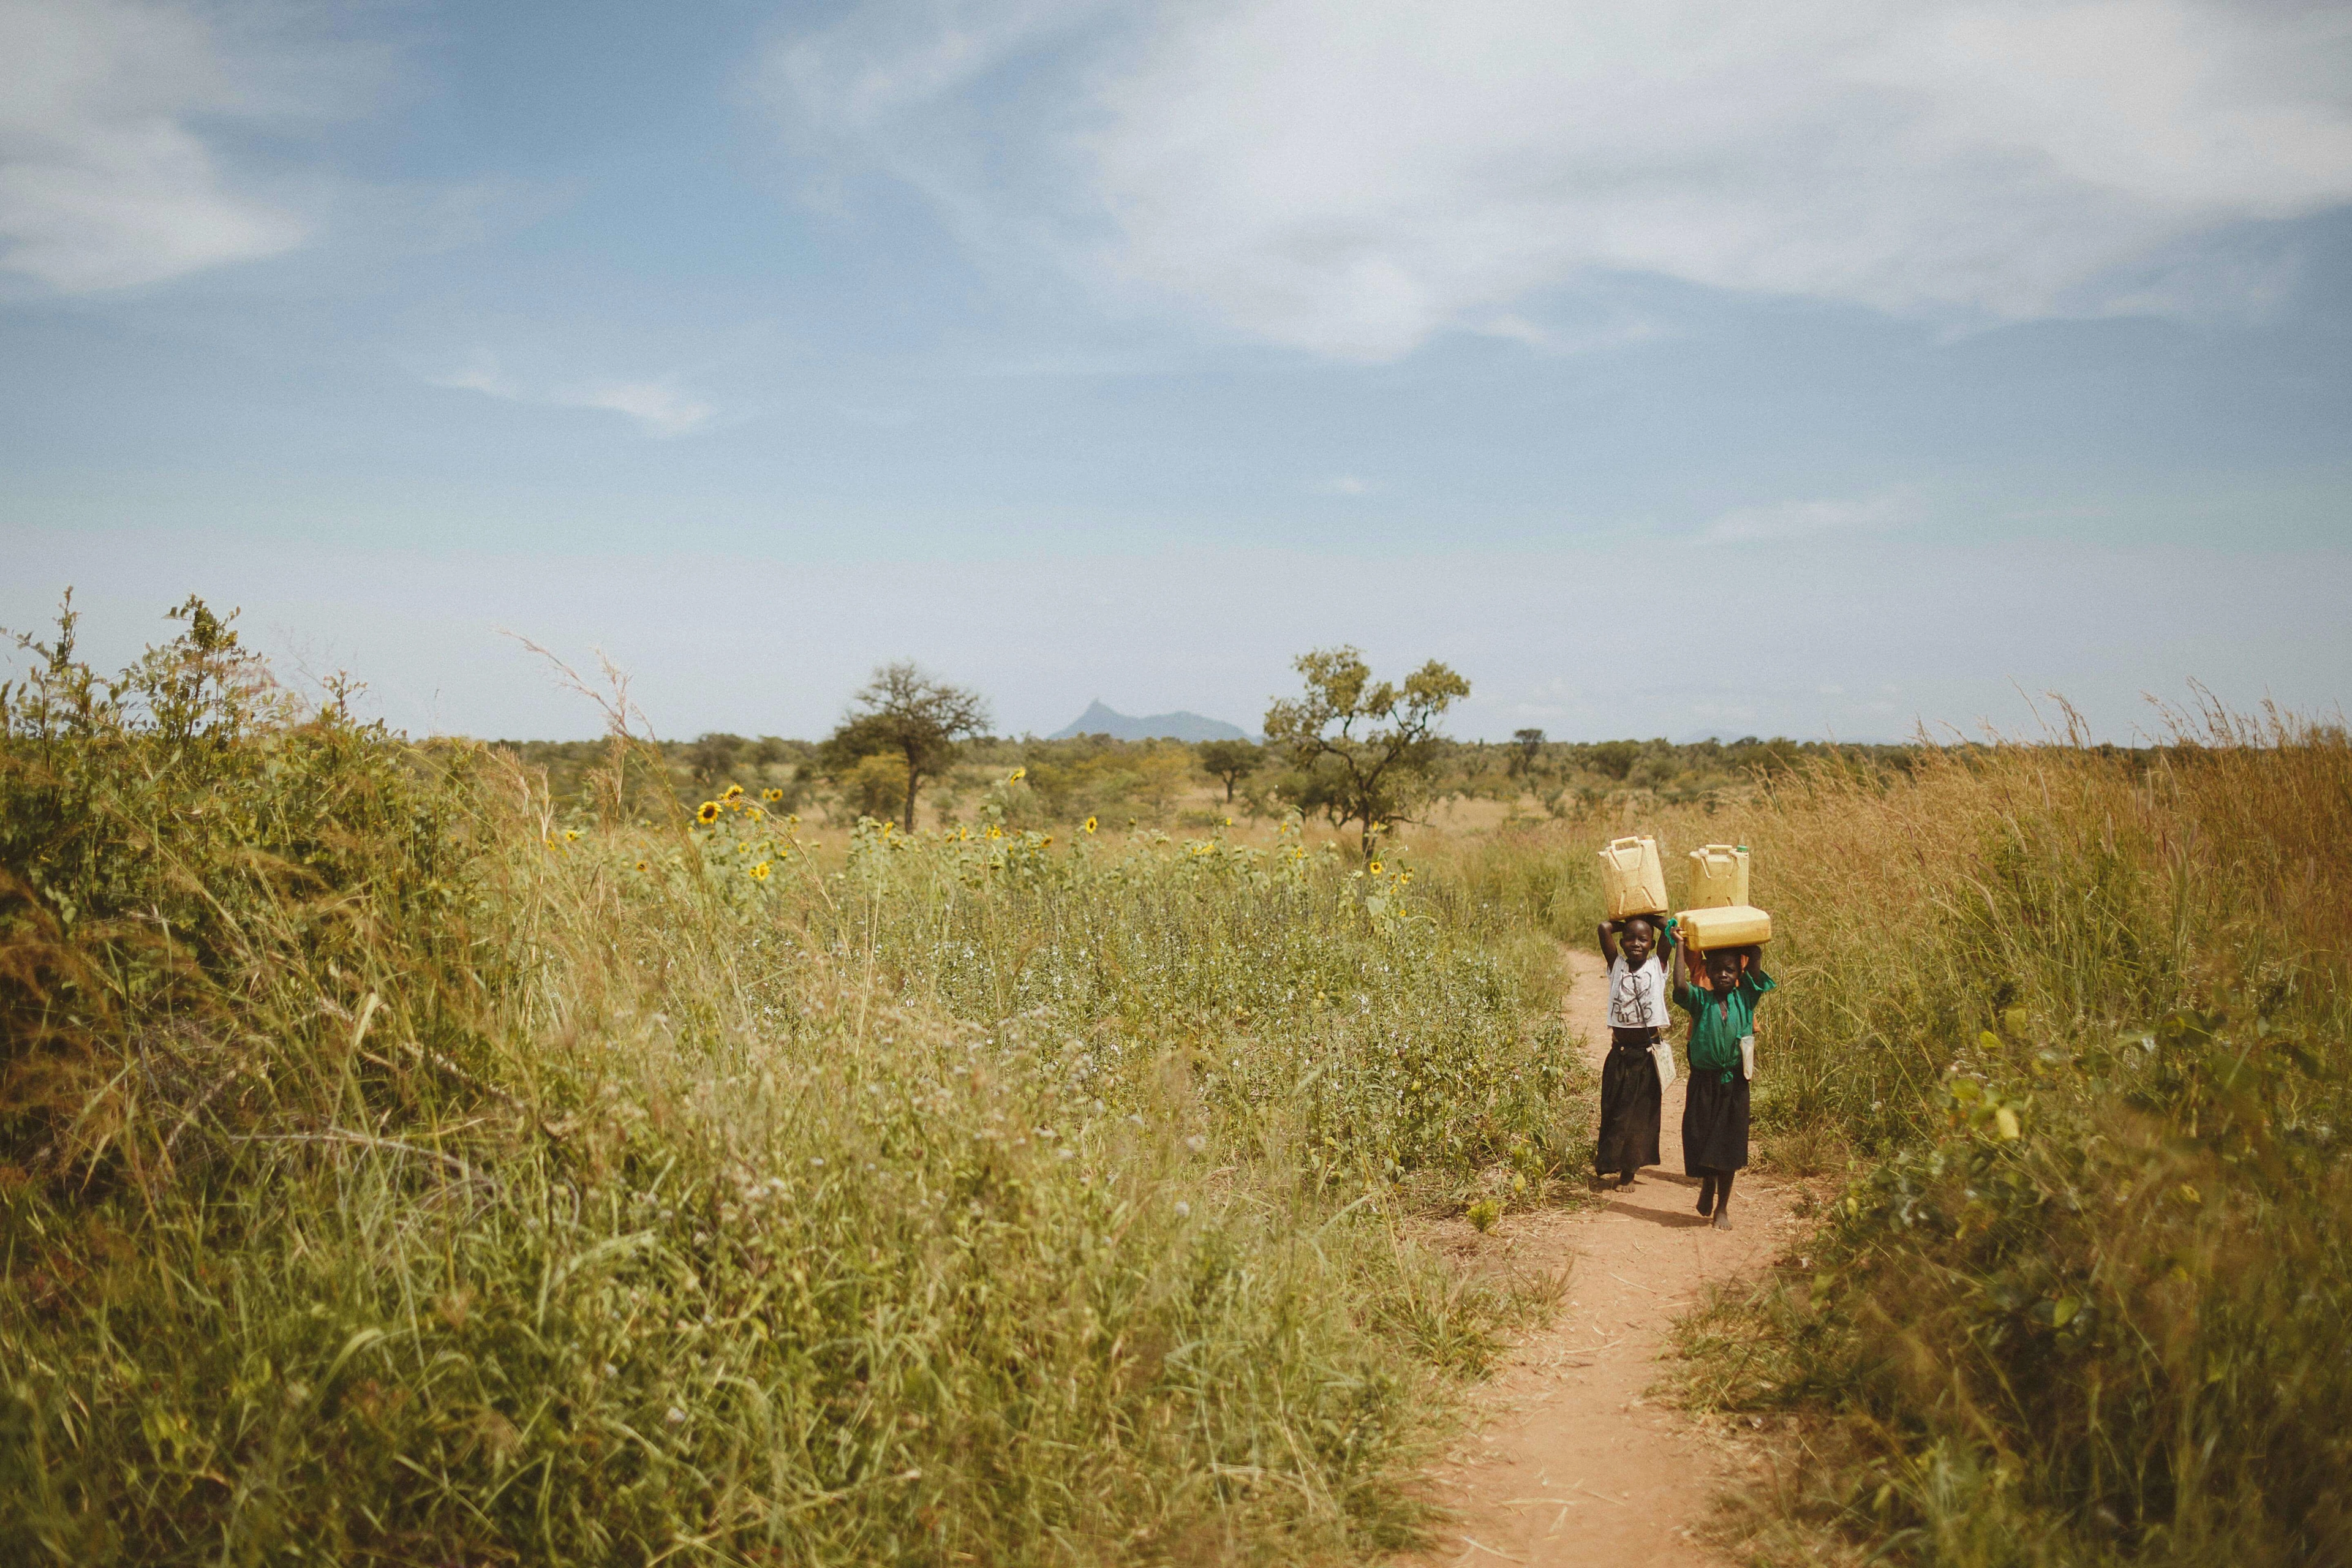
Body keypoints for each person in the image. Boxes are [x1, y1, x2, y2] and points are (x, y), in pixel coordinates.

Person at [1671, 940, 1774, 1229]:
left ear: (1738, 972)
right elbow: (1680, 986)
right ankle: (1708, 1182)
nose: (1723, 975)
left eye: (1730, 970)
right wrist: (1680, 946)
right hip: (1704, 1081)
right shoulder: (1701, 1001)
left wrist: (1750, 940)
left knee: (1729, 1144)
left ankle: (1723, 1207)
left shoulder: (1747, 997)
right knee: (1700, 1136)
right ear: (1708, 972)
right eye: (1717, 970)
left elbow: (1754, 959)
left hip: (1735, 1082)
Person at [1593, 913, 1673, 1188]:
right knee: (1614, 1108)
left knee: (1640, 1115)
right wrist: (1631, 916)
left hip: (1646, 1053)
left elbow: (1671, 928)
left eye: (1643, 939)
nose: (1635, 944)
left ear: (1652, 944)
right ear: (1622, 942)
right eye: (1629, 938)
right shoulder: (1616, 966)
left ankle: (1629, 1171)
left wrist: (1649, 915)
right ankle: (1609, 1161)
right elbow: (1604, 927)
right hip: (1620, 1052)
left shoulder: (1658, 966)